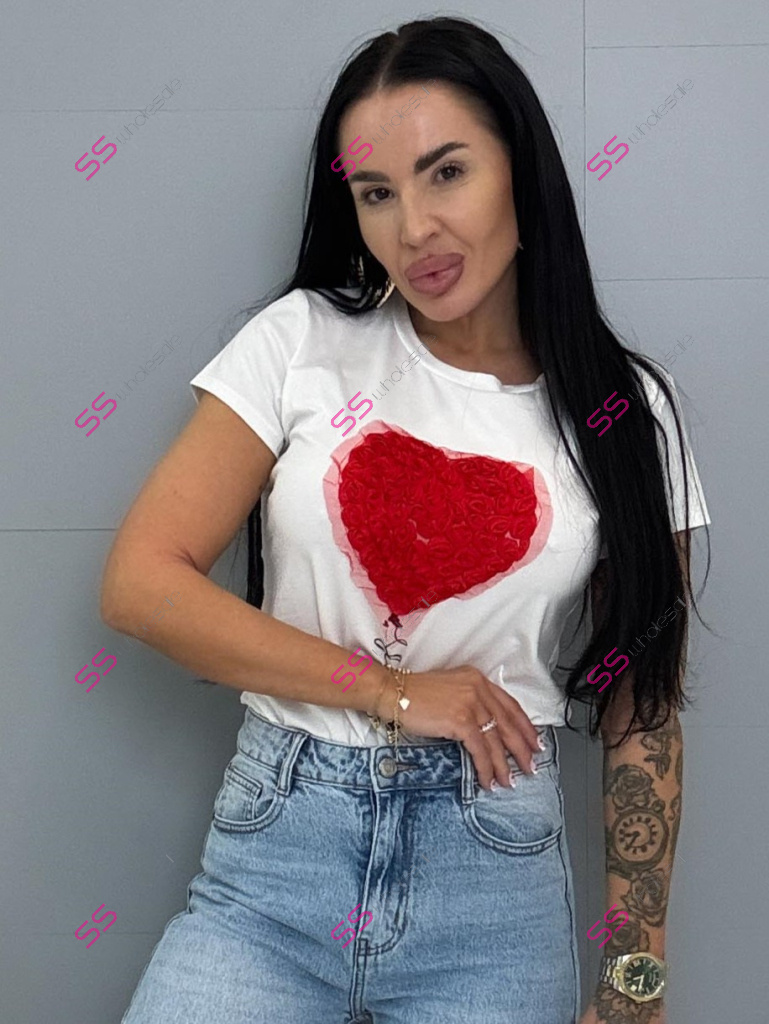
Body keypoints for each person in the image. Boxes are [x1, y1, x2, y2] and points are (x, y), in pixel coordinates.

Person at [104, 16, 710, 1024]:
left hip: (493, 891)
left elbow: (639, 705)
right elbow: (140, 585)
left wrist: (633, 976)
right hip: (271, 877)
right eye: (375, 193)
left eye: (447, 173)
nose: (414, 228)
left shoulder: (627, 411)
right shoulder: (301, 340)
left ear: (520, 170)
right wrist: (389, 689)